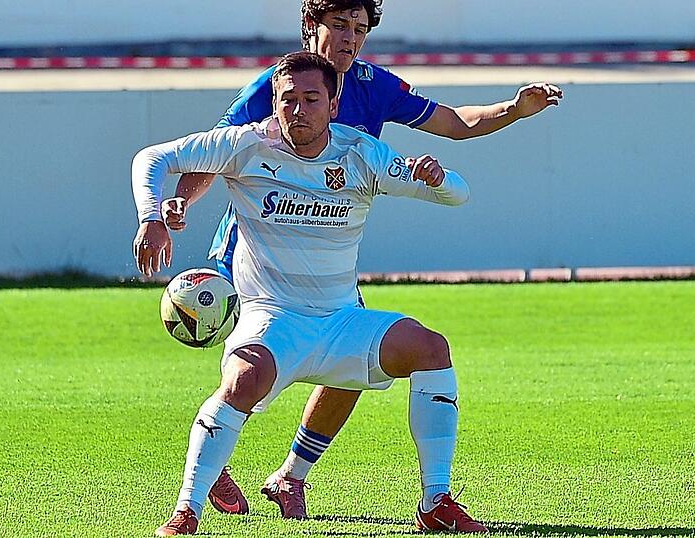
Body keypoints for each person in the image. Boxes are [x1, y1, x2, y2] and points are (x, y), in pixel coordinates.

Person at [166, 0, 562, 519]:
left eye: (359, 28)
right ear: (312, 27)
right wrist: (180, 204)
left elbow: (456, 123)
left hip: (324, 242)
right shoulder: (277, 84)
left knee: (350, 360)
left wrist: (514, 110)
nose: (350, 38)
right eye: (338, 25)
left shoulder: (376, 86)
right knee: (249, 362)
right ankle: (209, 469)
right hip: (256, 243)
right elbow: (212, 151)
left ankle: (290, 475)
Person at [134, 52, 485, 536]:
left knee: (431, 349)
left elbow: (459, 194)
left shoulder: (361, 153)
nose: (298, 110)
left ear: (334, 103)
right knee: (241, 380)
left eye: (311, 99)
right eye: (287, 100)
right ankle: (185, 511)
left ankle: (436, 500)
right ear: (274, 103)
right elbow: (153, 157)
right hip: (272, 319)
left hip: (341, 321)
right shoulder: (246, 145)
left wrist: (438, 178)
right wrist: (152, 216)